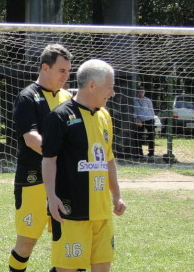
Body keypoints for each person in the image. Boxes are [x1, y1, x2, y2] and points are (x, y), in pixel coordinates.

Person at [42, 59, 127, 272]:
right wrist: (51, 198)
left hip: (102, 213)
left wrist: (116, 195)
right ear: (92, 85)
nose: (113, 93)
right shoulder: (59, 117)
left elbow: (108, 159)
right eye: (110, 87)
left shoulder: (104, 116)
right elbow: (49, 160)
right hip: (71, 212)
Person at [9, 44, 73, 272]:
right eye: (61, 71)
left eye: (68, 71)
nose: (66, 76)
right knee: (26, 243)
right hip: (32, 180)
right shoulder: (27, 97)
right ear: (45, 67)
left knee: (68, 241)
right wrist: (64, 155)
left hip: (64, 184)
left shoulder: (68, 98)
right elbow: (31, 138)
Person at [133, 86, 156, 157]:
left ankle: (151, 152)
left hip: (149, 119)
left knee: (151, 136)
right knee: (139, 137)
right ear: (137, 92)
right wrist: (135, 118)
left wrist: (153, 118)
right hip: (140, 120)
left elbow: (151, 109)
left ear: (144, 91)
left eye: (142, 91)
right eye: (140, 91)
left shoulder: (148, 100)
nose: (141, 92)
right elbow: (134, 110)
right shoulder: (135, 100)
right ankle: (140, 153)